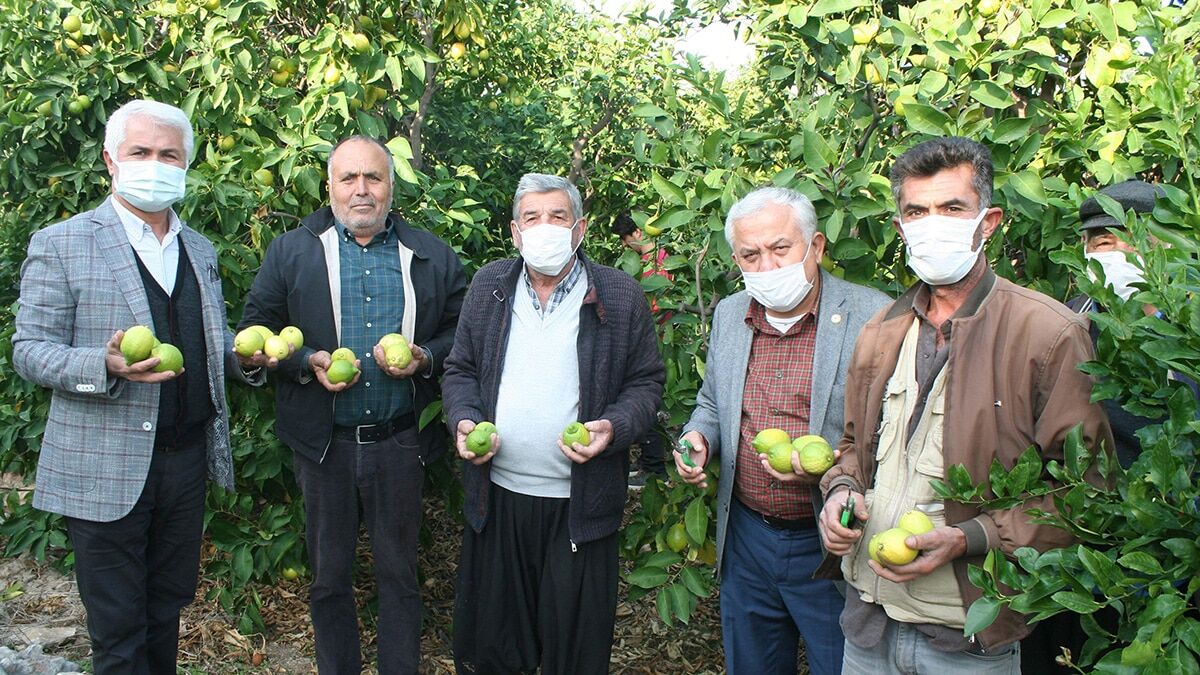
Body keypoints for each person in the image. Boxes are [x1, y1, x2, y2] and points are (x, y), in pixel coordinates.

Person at [816, 137, 1114, 673]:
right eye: (916, 211)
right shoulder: (882, 330)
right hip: (867, 621)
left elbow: (1085, 492)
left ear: (989, 220)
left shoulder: (1048, 335)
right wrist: (840, 492)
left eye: (952, 208)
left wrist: (969, 537)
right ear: (900, 226)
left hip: (966, 635)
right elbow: (852, 448)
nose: (932, 223)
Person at [12, 99, 264, 674]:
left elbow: (209, 337)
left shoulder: (198, 250)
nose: (155, 163)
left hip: (183, 461)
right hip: (104, 463)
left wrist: (246, 358)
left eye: (168, 154)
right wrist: (103, 365)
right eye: (141, 152)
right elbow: (28, 349)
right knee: (118, 628)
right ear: (111, 159)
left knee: (165, 609)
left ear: (186, 164)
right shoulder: (64, 243)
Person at [239, 135, 466, 674]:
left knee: (400, 577)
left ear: (391, 185)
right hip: (324, 446)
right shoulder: (291, 251)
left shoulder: (430, 254)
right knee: (328, 579)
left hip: (399, 442)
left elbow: (464, 332)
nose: (361, 190)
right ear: (330, 186)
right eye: (349, 178)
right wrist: (304, 361)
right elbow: (253, 330)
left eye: (374, 177)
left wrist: (424, 359)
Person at [443, 173, 665, 674]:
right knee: (497, 649)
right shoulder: (490, 287)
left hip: (580, 510)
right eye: (532, 218)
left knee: (574, 654)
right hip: (498, 501)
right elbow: (460, 370)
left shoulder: (619, 293)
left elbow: (647, 383)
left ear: (579, 228)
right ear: (515, 232)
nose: (545, 227)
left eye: (558, 216)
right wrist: (464, 420)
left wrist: (614, 426)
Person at [673, 187, 889, 675]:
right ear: (737, 259)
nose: (766, 267)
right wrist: (700, 437)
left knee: (842, 664)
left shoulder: (873, 317)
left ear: (815, 247)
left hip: (830, 543)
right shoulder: (732, 315)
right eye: (751, 255)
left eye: (780, 248)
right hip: (748, 538)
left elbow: (893, 432)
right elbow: (712, 400)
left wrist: (833, 473)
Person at [1022, 179, 1198, 673]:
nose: (1113, 252)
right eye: (1099, 242)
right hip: (1074, 532)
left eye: (1128, 237)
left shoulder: (1191, 324)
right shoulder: (1066, 323)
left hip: (1170, 541)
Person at [612, 212, 671, 484]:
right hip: (652, 337)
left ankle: (654, 466)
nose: (625, 246)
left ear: (637, 233)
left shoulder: (658, 263)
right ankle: (651, 459)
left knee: (650, 400)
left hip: (661, 339)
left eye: (625, 239)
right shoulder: (649, 260)